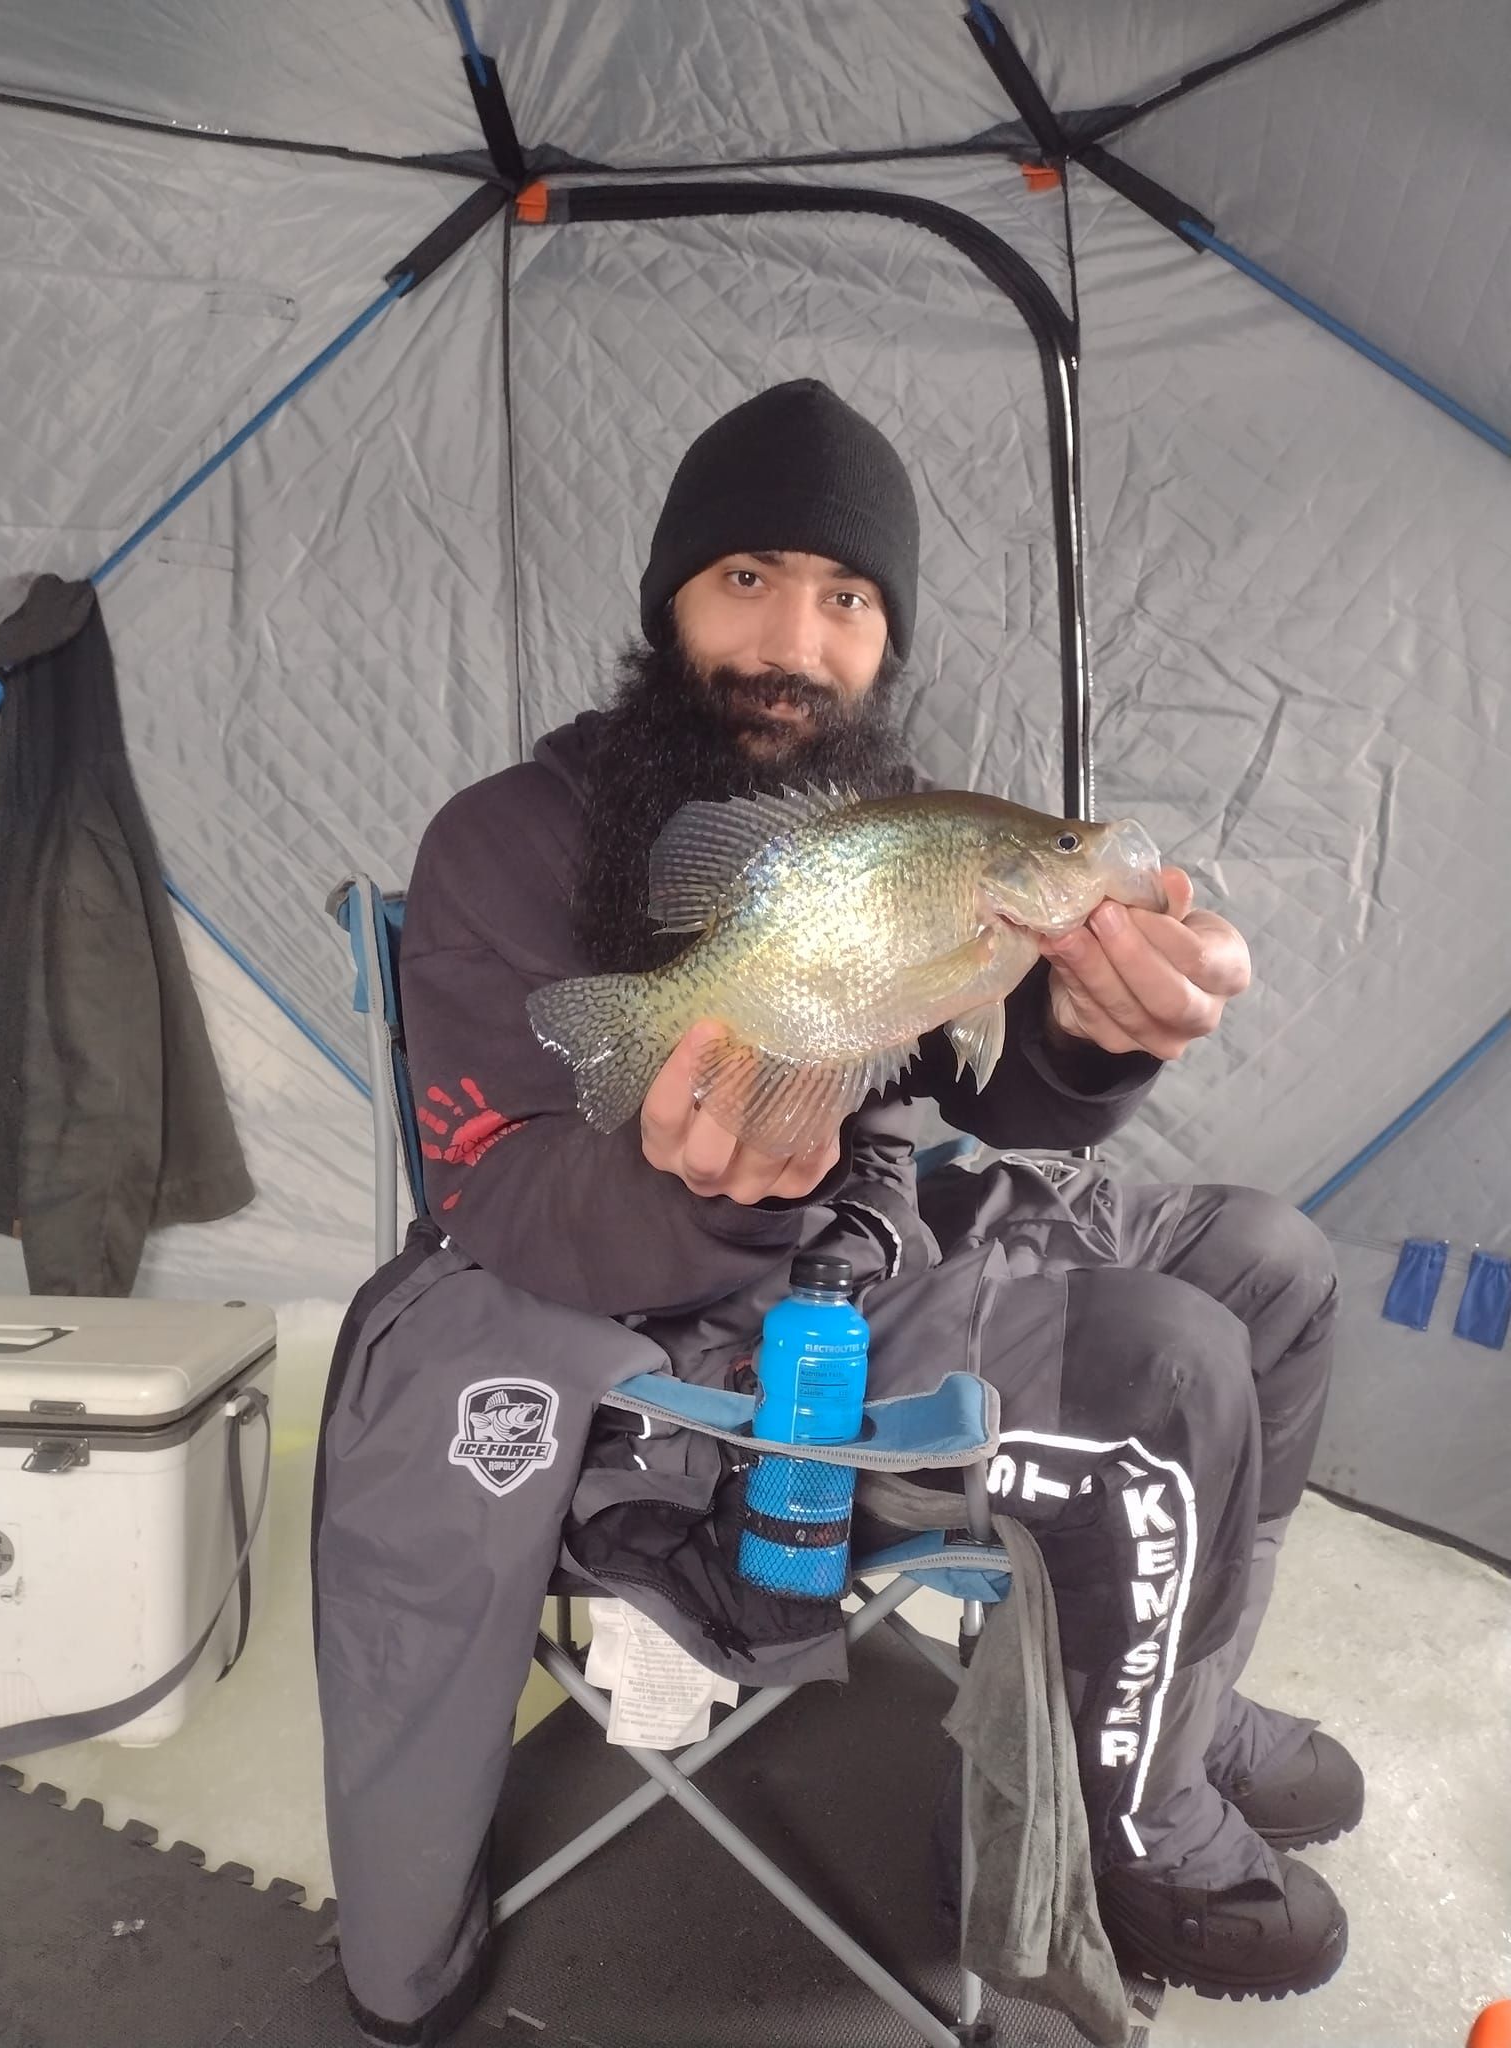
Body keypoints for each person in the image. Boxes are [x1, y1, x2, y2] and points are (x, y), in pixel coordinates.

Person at [383, 379, 1360, 2024]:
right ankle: (1133, 1828)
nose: (795, 640)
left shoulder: (897, 830)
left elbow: (979, 1091)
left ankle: (1180, 1699)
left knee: (1272, 1259)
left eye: (849, 600)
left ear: (883, 643)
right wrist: (696, 1194)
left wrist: (1087, 1035)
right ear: (666, 603)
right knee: (1164, 1360)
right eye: (747, 577)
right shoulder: (503, 840)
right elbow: (495, 1194)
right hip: (693, 1341)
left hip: (874, 1234)